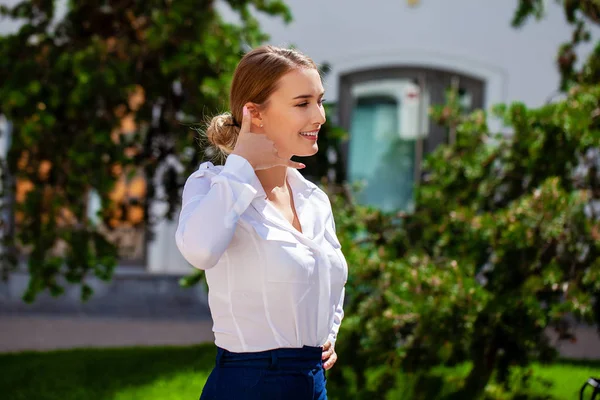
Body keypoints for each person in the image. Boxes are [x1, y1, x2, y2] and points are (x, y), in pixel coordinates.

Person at [175, 45, 348, 400]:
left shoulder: (312, 199)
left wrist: (325, 333)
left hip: (312, 384)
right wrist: (241, 164)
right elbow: (199, 250)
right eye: (303, 104)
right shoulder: (211, 187)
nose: (320, 116)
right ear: (255, 113)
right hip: (250, 387)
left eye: (320, 101)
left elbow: (329, 277)